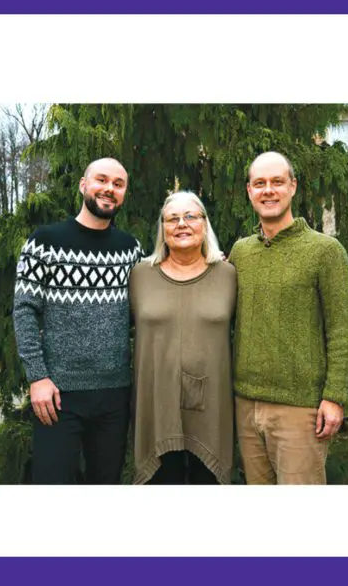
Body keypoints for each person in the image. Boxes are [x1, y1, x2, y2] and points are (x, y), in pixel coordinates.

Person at [228, 151, 348, 485]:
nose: (268, 190)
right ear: (249, 191)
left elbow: (342, 329)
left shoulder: (325, 251)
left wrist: (335, 396)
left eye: (277, 182)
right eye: (260, 184)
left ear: (293, 187)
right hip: (245, 403)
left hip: (301, 410)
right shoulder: (241, 252)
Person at [12, 157, 143, 484]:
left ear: (124, 193)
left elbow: (152, 305)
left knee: (106, 484)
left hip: (115, 394)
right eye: (101, 180)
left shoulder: (131, 249)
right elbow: (25, 309)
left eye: (118, 184)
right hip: (57, 395)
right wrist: (37, 377)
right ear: (84, 185)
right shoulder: (44, 241)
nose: (109, 189)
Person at [129, 191, 236, 485]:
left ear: (205, 224)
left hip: (212, 409)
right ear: (162, 228)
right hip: (155, 406)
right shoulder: (140, 275)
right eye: (172, 218)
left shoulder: (229, 275)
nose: (181, 224)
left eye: (190, 216)